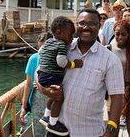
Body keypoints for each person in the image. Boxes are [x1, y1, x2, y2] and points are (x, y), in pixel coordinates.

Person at [39, 8, 124, 137]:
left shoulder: (110, 60)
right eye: (82, 23)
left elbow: (117, 97)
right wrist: (45, 90)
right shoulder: (62, 47)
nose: (86, 27)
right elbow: (39, 71)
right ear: (76, 26)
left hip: (88, 132)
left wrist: (111, 129)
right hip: (56, 129)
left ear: (99, 26)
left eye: (92, 24)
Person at [37, 16, 83, 136]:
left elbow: (40, 52)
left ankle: (46, 116)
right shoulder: (61, 44)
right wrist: (74, 64)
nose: (71, 38)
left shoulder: (48, 42)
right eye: (70, 35)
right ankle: (53, 124)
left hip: (43, 74)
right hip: (52, 75)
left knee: (52, 97)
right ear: (59, 32)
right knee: (59, 98)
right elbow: (61, 62)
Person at [19, 32, 53, 136]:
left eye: (45, 47)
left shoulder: (57, 59)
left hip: (53, 101)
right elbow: (28, 84)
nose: (42, 51)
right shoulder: (33, 58)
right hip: (36, 101)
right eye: (40, 47)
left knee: (52, 130)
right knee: (38, 131)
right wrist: (23, 107)